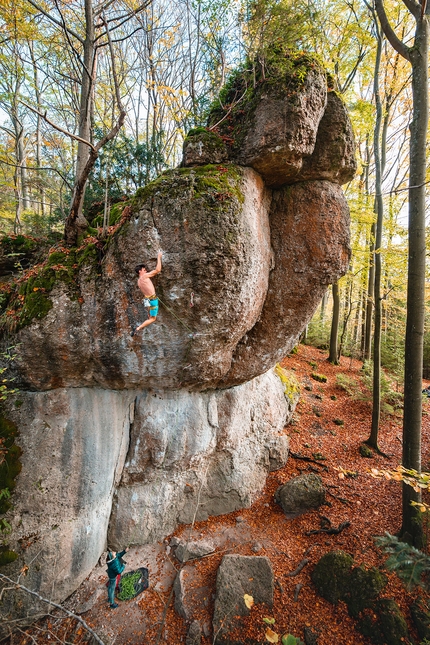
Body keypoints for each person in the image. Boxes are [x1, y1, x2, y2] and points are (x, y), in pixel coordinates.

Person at [131, 251, 162, 336]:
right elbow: (158, 270)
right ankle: (138, 328)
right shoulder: (144, 276)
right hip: (153, 300)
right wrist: (159, 257)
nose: (146, 271)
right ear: (140, 271)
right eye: (144, 270)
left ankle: (138, 328)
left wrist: (148, 310)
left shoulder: (138, 282)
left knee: (150, 317)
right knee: (152, 319)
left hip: (148, 300)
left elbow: (145, 294)